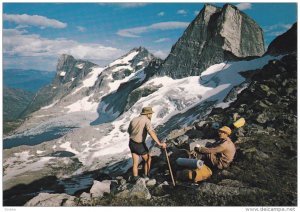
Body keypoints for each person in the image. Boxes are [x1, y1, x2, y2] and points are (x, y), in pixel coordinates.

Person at [127, 106, 167, 181]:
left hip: (131, 143)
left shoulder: (134, 119)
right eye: (151, 114)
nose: (151, 115)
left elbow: (129, 131)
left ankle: (135, 177)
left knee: (135, 163)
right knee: (148, 159)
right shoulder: (146, 120)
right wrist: (159, 143)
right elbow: (151, 132)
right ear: (148, 114)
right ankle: (146, 175)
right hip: (139, 144)